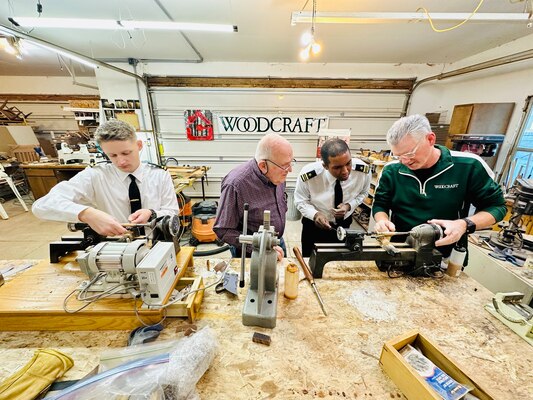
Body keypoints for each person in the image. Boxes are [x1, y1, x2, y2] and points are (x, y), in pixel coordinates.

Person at [372, 114, 506, 258]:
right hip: (399, 250)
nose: (404, 161)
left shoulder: (469, 166)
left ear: (430, 139)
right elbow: (380, 204)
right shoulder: (392, 170)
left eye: (409, 153)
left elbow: (497, 207)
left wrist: (464, 224)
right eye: (398, 156)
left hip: (445, 254)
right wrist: (382, 221)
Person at [32, 119, 179, 236]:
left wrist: (152, 213)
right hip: (113, 246)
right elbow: (42, 205)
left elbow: (172, 211)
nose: (121, 161)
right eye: (112, 155)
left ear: (139, 145)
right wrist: (86, 214)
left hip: (156, 241)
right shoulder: (96, 175)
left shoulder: (159, 175)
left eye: (126, 153)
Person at [214, 133, 294, 261]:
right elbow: (223, 230)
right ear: (263, 166)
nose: (290, 170)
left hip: (277, 242)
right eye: (285, 166)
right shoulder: (236, 184)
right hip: (251, 252)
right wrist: (259, 245)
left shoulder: (278, 173)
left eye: (290, 163)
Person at [294, 138, 371, 256]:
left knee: (339, 263)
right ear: (325, 166)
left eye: (348, 163)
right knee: (311, 264)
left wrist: (349, 206)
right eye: (337, 167)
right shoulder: (309, 174)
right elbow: (300, 200)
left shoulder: (363, 171)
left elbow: (363, 193)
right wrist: (315, 214)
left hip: (344, 227)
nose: (345, 171)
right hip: (314, 228)